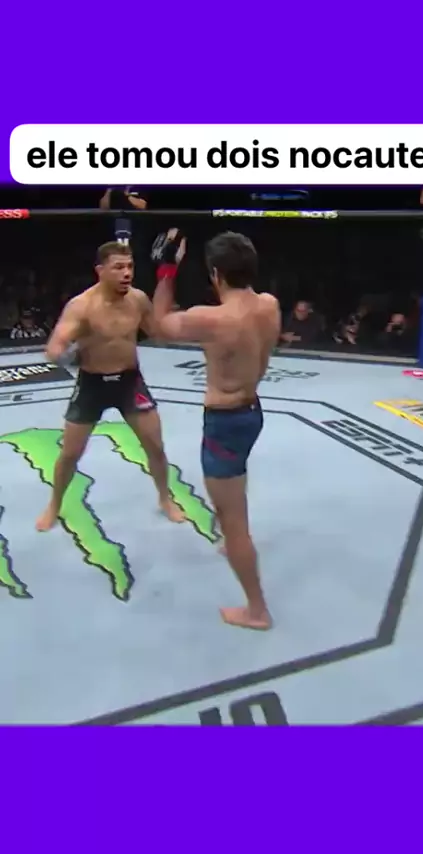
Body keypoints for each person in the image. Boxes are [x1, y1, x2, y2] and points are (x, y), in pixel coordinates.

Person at [152, 230, 281, 631]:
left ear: (215, 274)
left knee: (233, 518)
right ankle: (232, 541)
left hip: (224, 422)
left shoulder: (212, 319)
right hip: (252, 412)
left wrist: (167, 270)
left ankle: (257, 610)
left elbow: (158, 326)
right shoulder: (269, 305)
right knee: (235, 489)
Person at [36, 240, 185, 533]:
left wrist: (170, 304)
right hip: (92, 385)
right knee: (70, 454)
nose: (126, 273)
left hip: (130, 381)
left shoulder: (138, 300)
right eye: (118, 267)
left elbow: (157, 333)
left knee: (156, 446)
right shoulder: (82, 306)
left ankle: (165, 499)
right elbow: (55, 346)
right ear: (100, 271)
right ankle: (54, 504)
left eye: (130, 266)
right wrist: (64, 355)